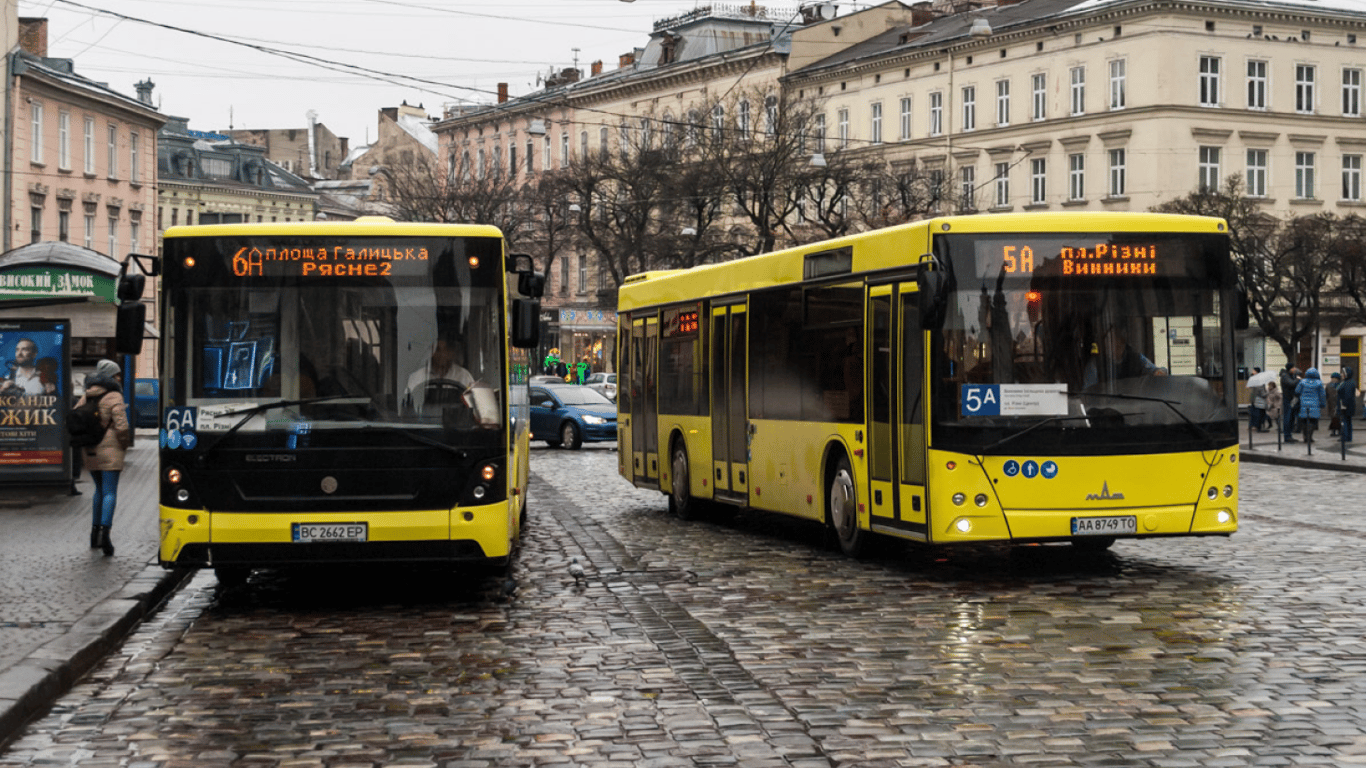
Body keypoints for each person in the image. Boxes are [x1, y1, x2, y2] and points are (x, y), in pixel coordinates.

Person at [76, 359, 131, 556]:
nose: (119, 377)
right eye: (116, 374)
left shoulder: (87, 395)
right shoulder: (114, 395)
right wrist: (123, 444)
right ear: (110, 376)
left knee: (98, 491)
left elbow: (77, 416)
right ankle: (105, 537)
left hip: (90, 449)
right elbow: (122, 426)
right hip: (110, 450)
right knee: (109, 492)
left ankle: (94, 535)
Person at [403, 338, 474, 413]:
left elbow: (474, 404)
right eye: (438, 350)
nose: (442, 354)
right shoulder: (417, 376)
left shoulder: (464, 375)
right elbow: (407, 405)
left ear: (451, 353)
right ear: (431, 353)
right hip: (423, 422)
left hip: (456, 422)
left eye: (446, 350)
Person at [1295, 367, 1325, 444]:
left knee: (1304, 421)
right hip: (1315, 404)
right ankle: (1309, 437)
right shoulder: (1319, 383)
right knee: (1313, 421)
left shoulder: (1302, 382)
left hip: (1304, 404)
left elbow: (1297, 391)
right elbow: (1322, 395)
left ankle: (1305, 437)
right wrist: (1322, 404)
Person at [1280, 365, 1302, 442]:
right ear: (1290, 368)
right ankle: (1287, 436)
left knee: (1292, 418)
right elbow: (1291, 384)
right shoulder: (1285, 376)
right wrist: (1297, 379)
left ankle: (1289, 435)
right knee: (1288, 418)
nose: (1295, 369)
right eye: (1293, 368)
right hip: (1288, 399)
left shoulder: (1291, 375)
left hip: (1292, 399)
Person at [1339, 367, 1357, 443]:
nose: (1341, 374)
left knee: (1345, 421)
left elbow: (1347, 395)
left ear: (1346, 374)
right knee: (1348, 421)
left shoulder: (1347, 383)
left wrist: (1344, 405)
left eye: (1342, 373)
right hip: (1350, 405)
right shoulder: (1349, 382)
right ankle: (1348, 437)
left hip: (1346, 405)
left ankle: (1345, 437)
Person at [1249, 368, 1267, 433]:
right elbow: (1261, 391)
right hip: (1259, 399)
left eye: (1253, 371)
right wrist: (1267, 393)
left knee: (1254, 413)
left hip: (1255, 398)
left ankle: (1253, 426)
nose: (1252, 372)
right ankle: (1258, 427)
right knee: (1260, 414)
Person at [1327, 372, 1342, 436]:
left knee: (1336, 418)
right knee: (1335, 418)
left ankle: (1336, 431)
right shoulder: (1339, 385)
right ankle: (1336, 431)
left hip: (1334, 404)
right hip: (1334, 404)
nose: (1333, 379)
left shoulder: (1329, 385)